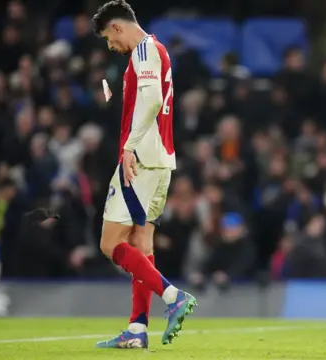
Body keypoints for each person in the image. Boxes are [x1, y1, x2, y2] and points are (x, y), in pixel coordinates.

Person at [91, 0, 196, 349]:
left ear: (118, 27)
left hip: (142, 162)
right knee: (141, 243)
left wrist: (130, 146)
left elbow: (150, 100)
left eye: (109, 37)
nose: (111, 46)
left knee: (110, 244)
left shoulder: (144, 50)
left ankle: (172, 296)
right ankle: (137, 330)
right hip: (162, 160)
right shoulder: (157, 51)